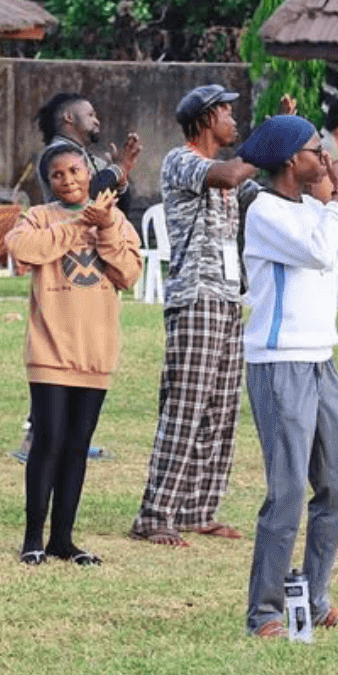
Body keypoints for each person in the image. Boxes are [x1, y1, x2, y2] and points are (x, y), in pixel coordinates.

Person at [237, 115, 338, 636]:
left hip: (319, 359)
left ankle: (316, 595)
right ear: (288, 161)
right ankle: (265, 612)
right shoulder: (263, 210)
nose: (324, 158)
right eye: (313, 150)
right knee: (286, 492)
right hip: (279, 361)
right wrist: (337, 198)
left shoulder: (310, 207)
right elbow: (319, 249)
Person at [129, 84, 260, 548]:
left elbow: (257, 191)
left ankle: (197, 509)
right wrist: (268, 143)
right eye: (226, 112)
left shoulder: (226, 171)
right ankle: (155, 512)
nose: (234, 119)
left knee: (221, 409)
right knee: (186, 406)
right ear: (206, 119)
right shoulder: (182, 161)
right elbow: (227, 176)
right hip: (196, 296)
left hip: (227, 296)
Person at [6, 145, 143, 566]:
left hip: (95, 353)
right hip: (51, 348)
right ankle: (33, 537)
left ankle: (62, 539)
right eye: (58, 174)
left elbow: (129, 273)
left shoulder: (115, 219)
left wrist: (103, 229)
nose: (68, 179)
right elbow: (22, 248)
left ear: (90, 172)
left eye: (75, 170)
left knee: (77, 444)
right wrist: (77, 226)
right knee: (47, 441)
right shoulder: (41, 217)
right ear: (49, 182)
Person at [34, 90, 143, 210]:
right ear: (69, 117)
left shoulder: (88, 158)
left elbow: (121, 211)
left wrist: (121, 180)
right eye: (90, 115)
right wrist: (118, 168)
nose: (97, 121)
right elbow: (81, 194)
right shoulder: (56, 153)